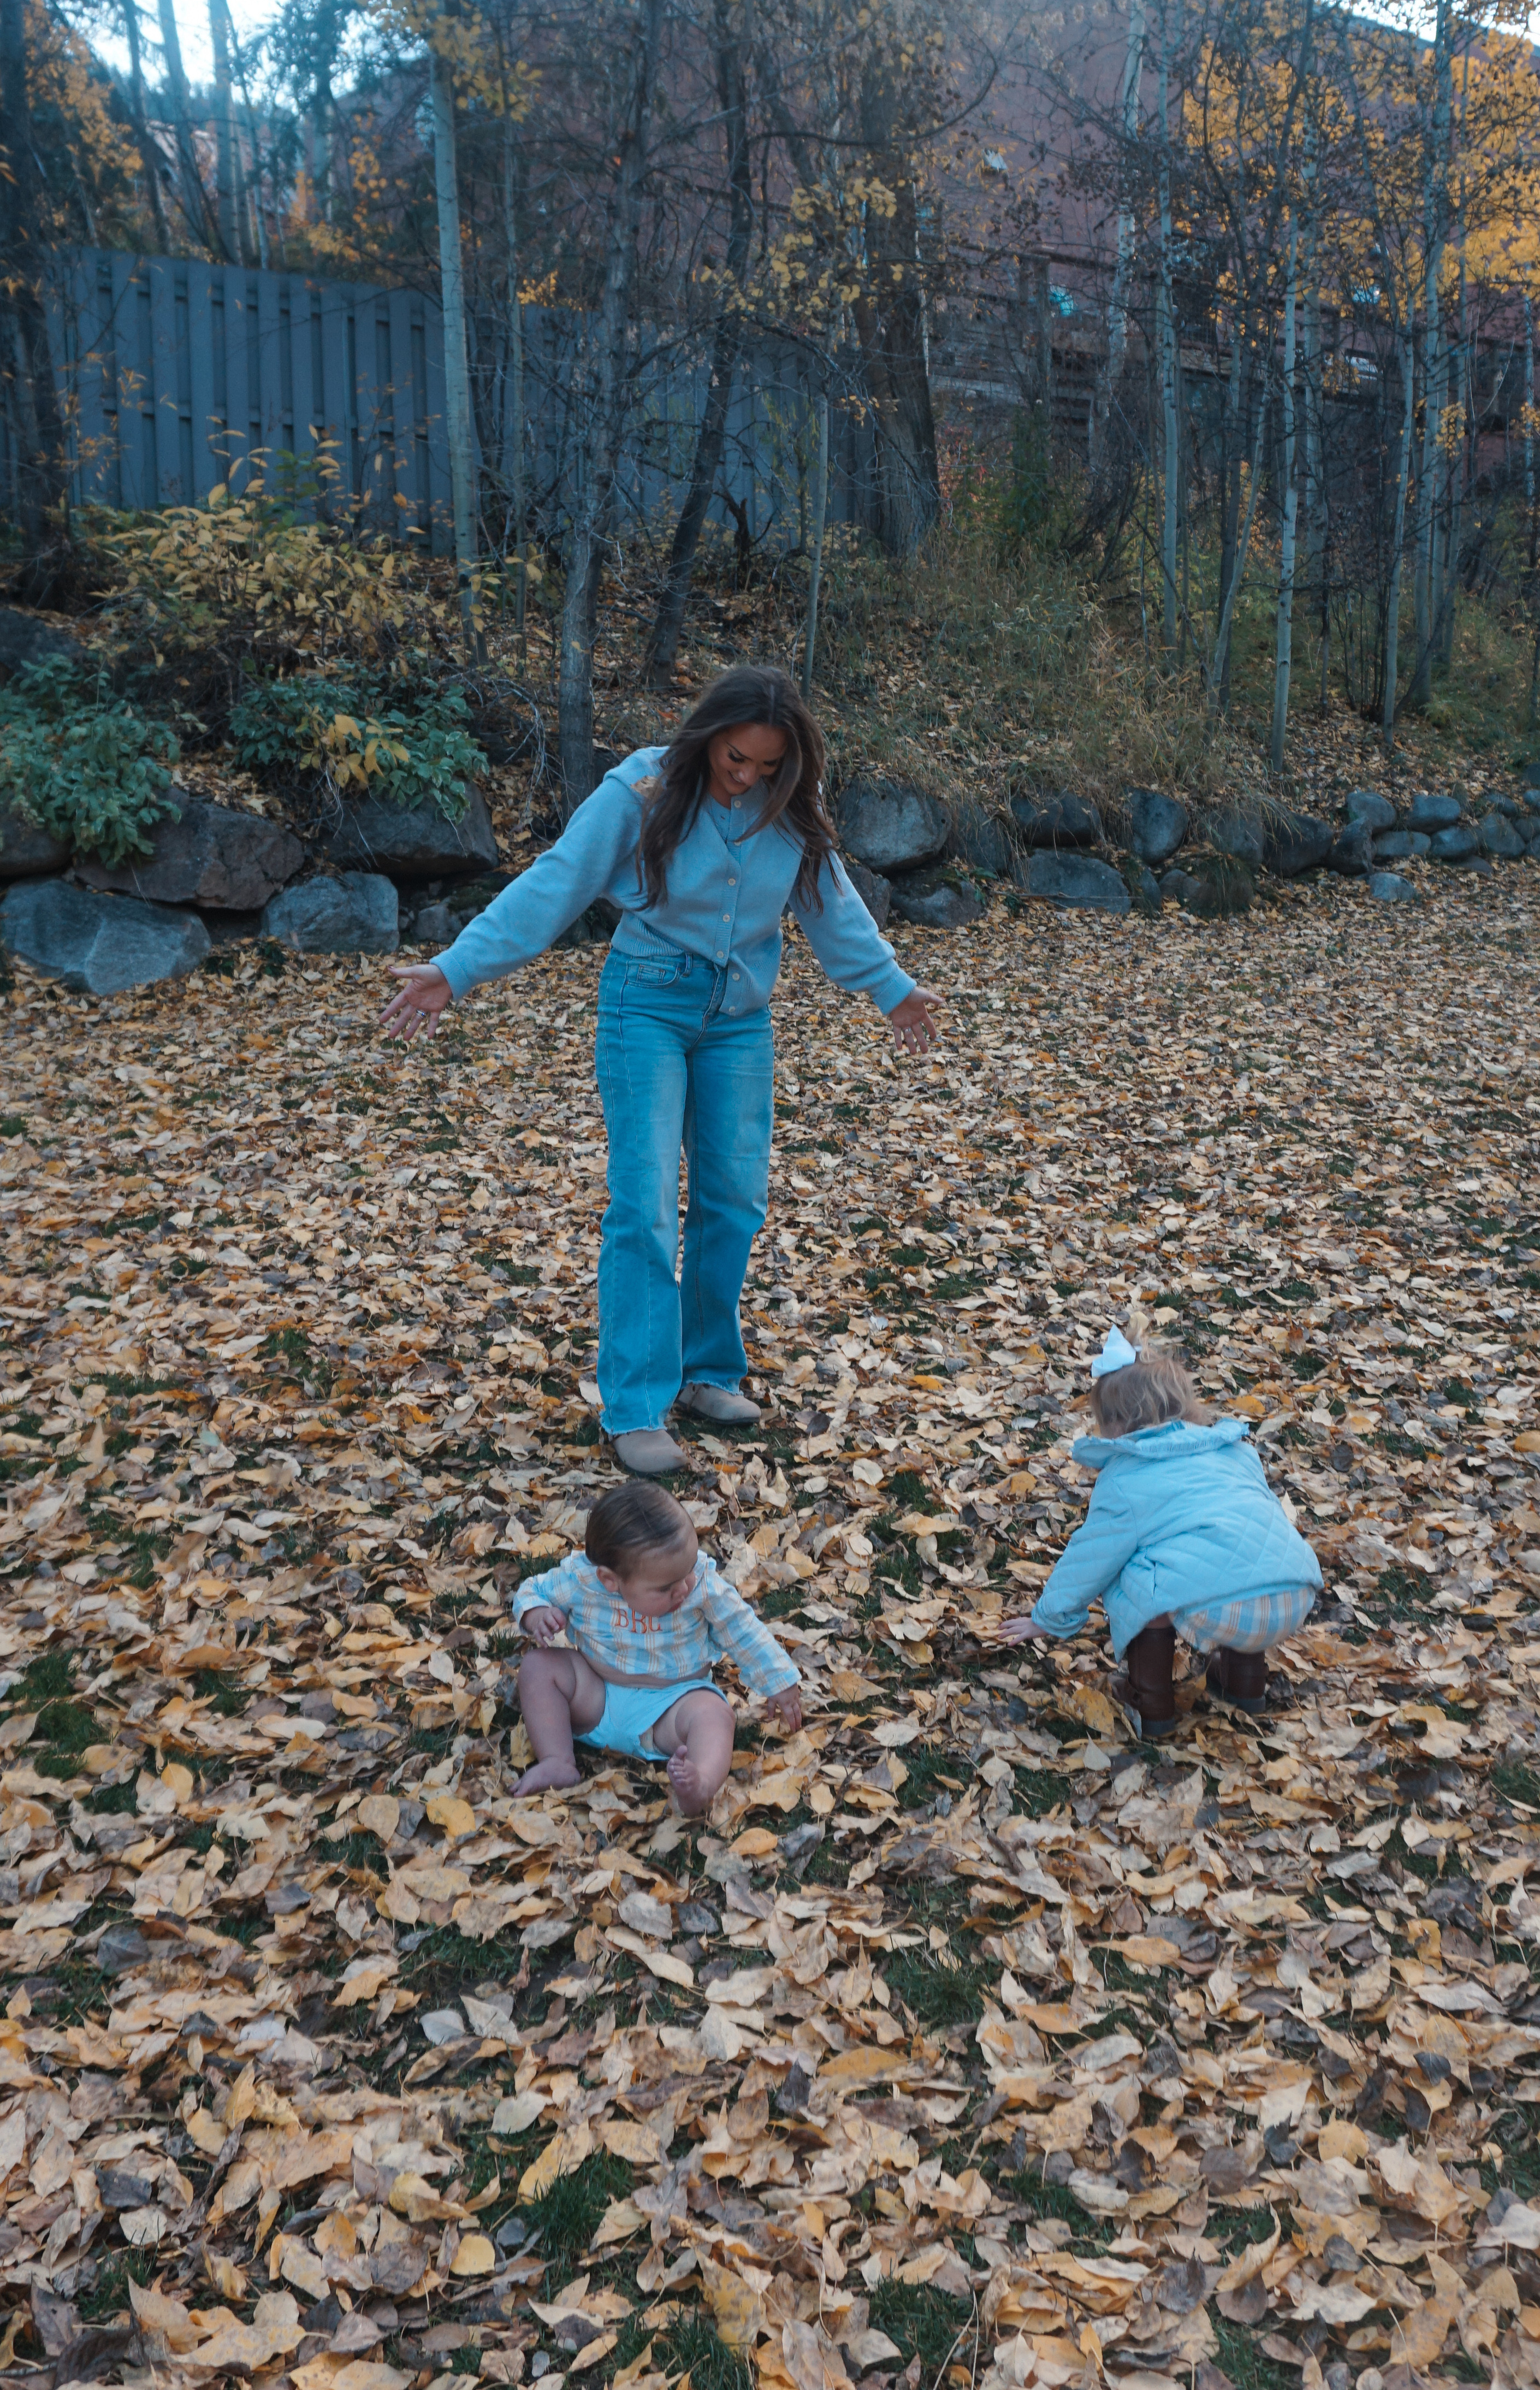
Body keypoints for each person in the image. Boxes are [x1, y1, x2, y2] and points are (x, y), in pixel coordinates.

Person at [378, 667, 941, 1476]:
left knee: (733, 1198)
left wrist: (891, 988)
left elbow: (832, 903)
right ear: (709, 734)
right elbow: (556, 883)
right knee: (644, 1202)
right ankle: (636, 1404)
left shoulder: (789, 810)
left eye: (769, 766)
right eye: (737, 758)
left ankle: (708, 1371)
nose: (748, 777)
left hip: (739, 1020)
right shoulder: (640, 790)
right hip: (646, 1006)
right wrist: (457, 969)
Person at [998, 1328, 1323, 1735]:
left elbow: (1092, 1557)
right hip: (1293, 1592)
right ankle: (1245, 1683)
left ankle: (1149, 1701)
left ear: (1118, 1425)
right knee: (1236, 1556)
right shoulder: (1235, 1449)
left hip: (1221, 1606)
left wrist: (1048, 1617)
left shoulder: (1125, 1477)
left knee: (1132, 1567)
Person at [510, 1477, 803, 1815]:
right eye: (666, 1588)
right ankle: (557, 1759)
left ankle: (701, 1784)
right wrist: (536, 1614)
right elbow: (533, 1590)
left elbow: (741, 1628)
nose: (684, 1588)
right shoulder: (582, 1580)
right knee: (537, 1667)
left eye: (689, 1571)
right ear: (610, 1580)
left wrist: (778, 1679)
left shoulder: (701, 1585)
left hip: (672, 1707)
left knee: (715, 1715)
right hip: (597, 1695)